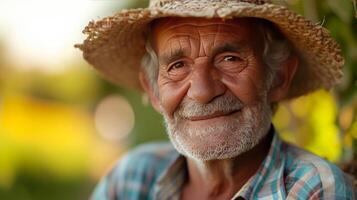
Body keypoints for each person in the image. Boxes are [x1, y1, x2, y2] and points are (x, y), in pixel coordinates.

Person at [76, 0, 356, 199]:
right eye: (177, 65)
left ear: (279, 77)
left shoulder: (314, 190)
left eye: (230, 59)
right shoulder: (130, 180)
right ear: (152, 90)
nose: (202, 90)